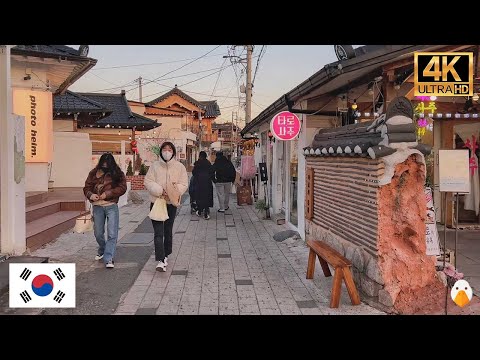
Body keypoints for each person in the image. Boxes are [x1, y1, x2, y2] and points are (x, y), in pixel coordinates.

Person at [144, 142, 188, 271]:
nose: (167, 152)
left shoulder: (179, 167)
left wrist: (172, 192)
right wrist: (159, 190)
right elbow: (148, 181)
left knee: (168, 230)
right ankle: (161, 259)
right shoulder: (154, 166)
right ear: (161, 151)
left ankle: (166, 253)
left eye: (169, 149)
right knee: (158, 232)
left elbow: (184, 183)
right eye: (164, 149)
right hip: (157, 203)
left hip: (171, 203)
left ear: (173, 152)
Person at [83, 153, 127, 269]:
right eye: (103, 163)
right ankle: (102, 249)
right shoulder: (93, 173)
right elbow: (86, 187)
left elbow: (122, 188)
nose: (105, 165)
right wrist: (91, 195)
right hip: (97, 206)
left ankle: (108, 258)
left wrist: (107, 194)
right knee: (98, 233)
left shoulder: (117, 173)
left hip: (111, 205)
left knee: (112, 233)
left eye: (107, 163)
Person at [192, 151, 214, 219]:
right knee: (207, 196)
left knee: (199, 196)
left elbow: (194, 173)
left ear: (199, 156)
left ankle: (199, 210)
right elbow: (212, 172)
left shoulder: (197, 163)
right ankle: (206, 212)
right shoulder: (208, 163)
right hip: (207, 183)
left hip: (198, 183)